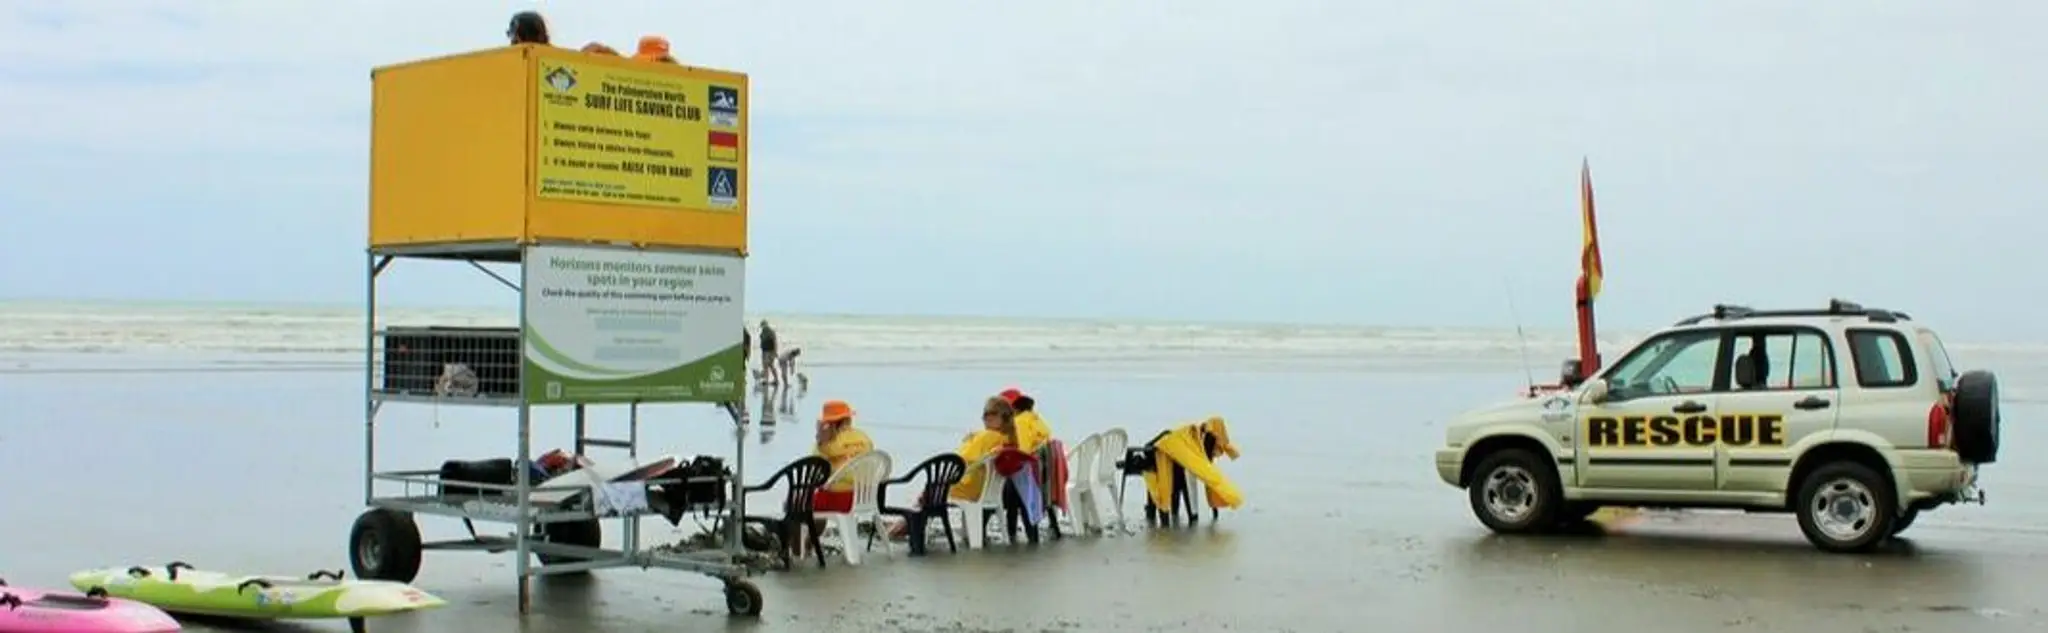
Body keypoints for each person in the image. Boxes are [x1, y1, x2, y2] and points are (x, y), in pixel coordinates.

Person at [809, 400, 872, 555]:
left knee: (796, 504)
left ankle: (799, 550)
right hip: (864, 498)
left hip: (839, 500)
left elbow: (814, 474)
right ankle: (809, 543)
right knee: (815, 503)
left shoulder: (826, 444)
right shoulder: (864, 438)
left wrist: (820, 438)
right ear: (848, 419)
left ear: (829, 423)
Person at [758, 320, 780, 386]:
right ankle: (766, 380)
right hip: (764, 351)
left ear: (766, 324)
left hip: (770, 351)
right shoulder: (762, 332)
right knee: (765, 366)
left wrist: (775, 352)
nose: (763, 327)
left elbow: (775, 342)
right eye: (762, 326)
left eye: (763, 325)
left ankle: (776, 380)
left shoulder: (771, 332)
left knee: (770, 365)